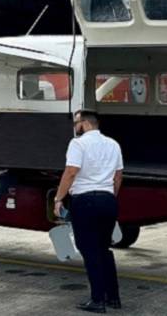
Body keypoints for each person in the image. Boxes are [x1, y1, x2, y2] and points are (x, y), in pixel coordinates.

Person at [54, 109, 124, 313]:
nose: (75, 127)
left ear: (84, 123)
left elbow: (71, 172)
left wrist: (59, 199)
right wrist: (110, 196)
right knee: (104, 249)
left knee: (89, 250)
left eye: (76, 123)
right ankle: (113, 298)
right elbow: (118, 176)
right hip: (108, 200)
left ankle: (97, 300)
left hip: (85, 201)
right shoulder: (113, 144)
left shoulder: (78, 144)